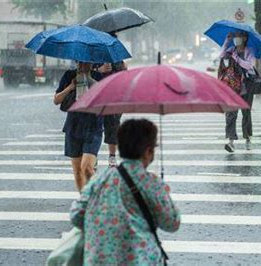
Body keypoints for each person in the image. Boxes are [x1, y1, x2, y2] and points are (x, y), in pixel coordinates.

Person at [70, 119, 181, 265]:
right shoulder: (151, 183)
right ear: (148, 152)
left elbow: (77, 216)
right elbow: (172, 223)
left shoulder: (100, 179)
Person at [53, 62, 103, 192]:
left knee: (86, 168)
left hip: (93, 126)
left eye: (86, 62)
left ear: (92, 63)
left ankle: (95, 197)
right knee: (77, 171)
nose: (82, 65)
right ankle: (84, 201)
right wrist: (70, 87)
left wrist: (92, 82)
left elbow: (108, 98)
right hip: (73, 126)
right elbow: (56, 100)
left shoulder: (99, 76)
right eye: (80, 62)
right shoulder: (69, 75)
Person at [94, 32, 128, 167]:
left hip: (115, 97)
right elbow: (83, 72)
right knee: (95, 127)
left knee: (113, 126)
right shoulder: (94, 56)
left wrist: (124, 70)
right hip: (97, 96)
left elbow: (124, 77)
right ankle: (92, 155)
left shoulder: (118, 59)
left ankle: (112, 157)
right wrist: (98, 69)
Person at [219, 31, 256, 153]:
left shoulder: (249, 51)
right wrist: (226, 41)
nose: (237, 39)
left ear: (245, 38)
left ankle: (248, 139)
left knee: (246, 114)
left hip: (246, 88)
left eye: (239, 36)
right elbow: (221, 56)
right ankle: (231, 141)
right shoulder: (231, 49)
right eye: (235, 37)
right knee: (230, 115)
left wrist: (237, 59)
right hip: (232, 88)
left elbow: (249, 66)